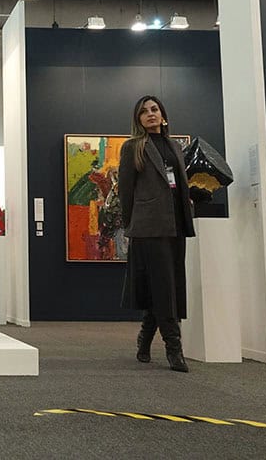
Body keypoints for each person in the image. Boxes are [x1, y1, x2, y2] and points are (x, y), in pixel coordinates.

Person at [118, 96, 195, 373]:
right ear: (138, 119)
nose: (150, 114)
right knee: (164, 286)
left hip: (176, 224)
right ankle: (174, 349)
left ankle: (144, 339)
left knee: (167, 284)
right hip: (148, 226)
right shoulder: (133, 147)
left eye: (154, 109)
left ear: (163, 114)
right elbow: (125, 192)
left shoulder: (175, 145)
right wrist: (130, 227)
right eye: (144, 112)